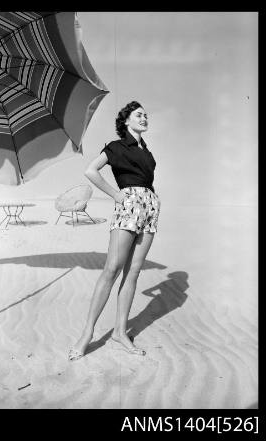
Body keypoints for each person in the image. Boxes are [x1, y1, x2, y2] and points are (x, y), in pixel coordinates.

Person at [68, 100, 161, 361]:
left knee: (133, 272)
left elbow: (147, 181)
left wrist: (154, 200)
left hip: (149, 209)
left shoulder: (148, 152)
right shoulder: (117, 147)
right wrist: (115, 195)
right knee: (112, 269)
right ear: (126, 120)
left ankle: (120, 332)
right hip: (128, 205)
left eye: (146, 115)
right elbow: (91, 171)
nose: (144, 118)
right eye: (139, 115)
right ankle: (87, 334)